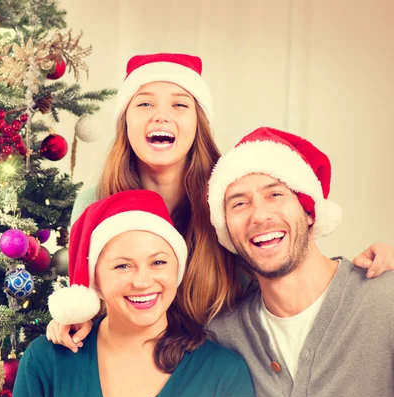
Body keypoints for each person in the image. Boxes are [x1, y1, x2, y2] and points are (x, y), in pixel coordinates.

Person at [48, 52, 394, 349]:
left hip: (216, 374)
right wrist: (68, 320)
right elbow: (85, 300)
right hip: (124, 367)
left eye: (180, 104)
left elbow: (284, 261)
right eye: (145, 103)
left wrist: (367, 270)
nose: (161, 115)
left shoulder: (231, 199)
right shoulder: (95, 203)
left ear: (198, 123)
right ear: (125, 122)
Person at [8, 190, 262, 397]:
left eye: (158, 262)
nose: (142, 282)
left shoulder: (224, 373)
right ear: (96, 280)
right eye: (122, 266)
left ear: (177, 269)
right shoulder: (45, 362)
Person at [203, 126, 394, 397]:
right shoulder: (223, 334)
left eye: (275, 194)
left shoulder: (384, 303)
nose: (259, 215)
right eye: (239, 203)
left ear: (308, 211)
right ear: (226, 232)